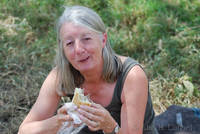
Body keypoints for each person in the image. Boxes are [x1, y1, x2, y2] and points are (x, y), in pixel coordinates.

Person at [18, 5, 158, 134]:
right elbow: (24, 130)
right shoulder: (60, 75)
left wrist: (110, 126)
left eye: (86, 39)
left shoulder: (131, 76)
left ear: (103, 40)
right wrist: (57, 123)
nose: (78, 50)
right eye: (69, 43)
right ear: (63, 50)